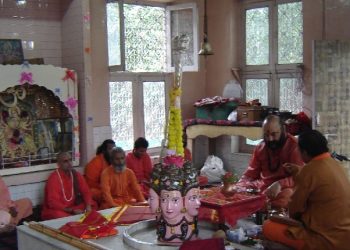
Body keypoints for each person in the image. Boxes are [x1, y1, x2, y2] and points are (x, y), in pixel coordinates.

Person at [263, 130, 350, 250]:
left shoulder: (309, 171)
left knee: (268, 226)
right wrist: (298, 171)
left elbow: (294, 209)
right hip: (345, 236)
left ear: (304, 152)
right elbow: (317, 178)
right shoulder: (335, 165)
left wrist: (281, 216)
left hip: (326, 240)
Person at [237, 115, 304, 207]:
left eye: (273, 134)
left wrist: (280, 184)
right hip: (264, 187)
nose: (270, 139)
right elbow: (251, 174)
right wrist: (239, 186)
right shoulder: (261, 147)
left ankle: (258, 206)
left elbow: (300, 177)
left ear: (283, 130)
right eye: (266, 135)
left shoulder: (294, 146)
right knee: (239, 190)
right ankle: (260, 205)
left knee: (288, 195)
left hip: (284, 188)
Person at [41, 152, 95, 220]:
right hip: (59, 210)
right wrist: (71, 211)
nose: (69, 163)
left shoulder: (76, 175)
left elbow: (86, 191)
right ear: (58, 164)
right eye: (65, 161)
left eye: (70, 160)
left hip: (73, 208)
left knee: (93, 205)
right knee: (58, 215)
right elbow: (53, 203)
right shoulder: (54, 178)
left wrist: (88, 206)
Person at [85, 139, 115, 204]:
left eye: (114, 149)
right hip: (97, 189)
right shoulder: (96, 162)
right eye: (110, 149)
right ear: (104, 151)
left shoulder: (114, 161)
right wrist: (107, 188)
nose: (113, 152)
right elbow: (91, 184)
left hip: (110, 189)